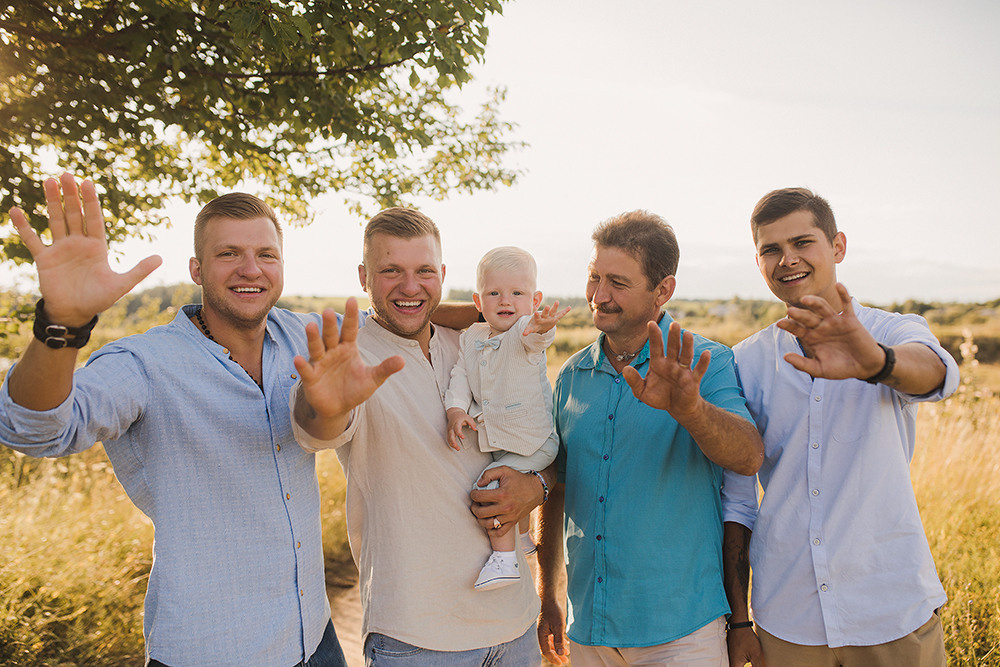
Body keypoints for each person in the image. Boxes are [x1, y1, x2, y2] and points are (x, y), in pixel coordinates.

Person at [0, 174, 349, 665]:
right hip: (212, 649)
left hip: (313, 634)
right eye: (229, 253)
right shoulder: (144, 364)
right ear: (197, 268)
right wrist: (63, 322)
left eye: (266, 255)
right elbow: (34, 430)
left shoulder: (304, 336)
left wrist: (490, 309)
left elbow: (401, 318)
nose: (251, 269)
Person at [288, 208, 548, 665]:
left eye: (424, 271)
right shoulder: (347, 359)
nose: (411, 287)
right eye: (391, 271)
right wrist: (324, 407)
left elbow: (533, 428)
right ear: (364, 277)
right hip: (415, 636)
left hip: (514, 624)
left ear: (443, 274)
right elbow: (317, 428)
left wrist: (538, 485)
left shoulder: (475, 341)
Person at [721, 187, 959, 667]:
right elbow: (738, 502)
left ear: (838, 247)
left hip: (891, 608)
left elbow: (937, 375)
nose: (787, 259)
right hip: (787, 619)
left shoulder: (891, 330)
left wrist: (874, 362)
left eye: (802, 243)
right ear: (759, 261)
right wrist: (739, 620)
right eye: (771, 249)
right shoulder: (745, 361)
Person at [535, 210, 765, 667]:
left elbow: (748, 456)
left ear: (663, 290)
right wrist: (548, 595)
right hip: (589, 630)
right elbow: (555, 490)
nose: (599, 295)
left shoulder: (707, 363)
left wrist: (690, 410)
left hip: (681, 634)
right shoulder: (571, 375)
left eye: (618, 282)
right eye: (594, 277)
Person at [444, 246, 569, 591]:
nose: (505, 300)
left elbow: (537, 337)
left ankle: (505, 560)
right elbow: (460, 377)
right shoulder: (471, 338)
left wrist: (542, 326)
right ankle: (524, 537)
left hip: (535, 442)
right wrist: (456, 410)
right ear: (478, 300)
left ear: (534, 299)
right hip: (503, 441)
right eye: (494, 293)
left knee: (489, 485)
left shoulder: (525, 331)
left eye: (517, 293)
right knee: (502, 469)